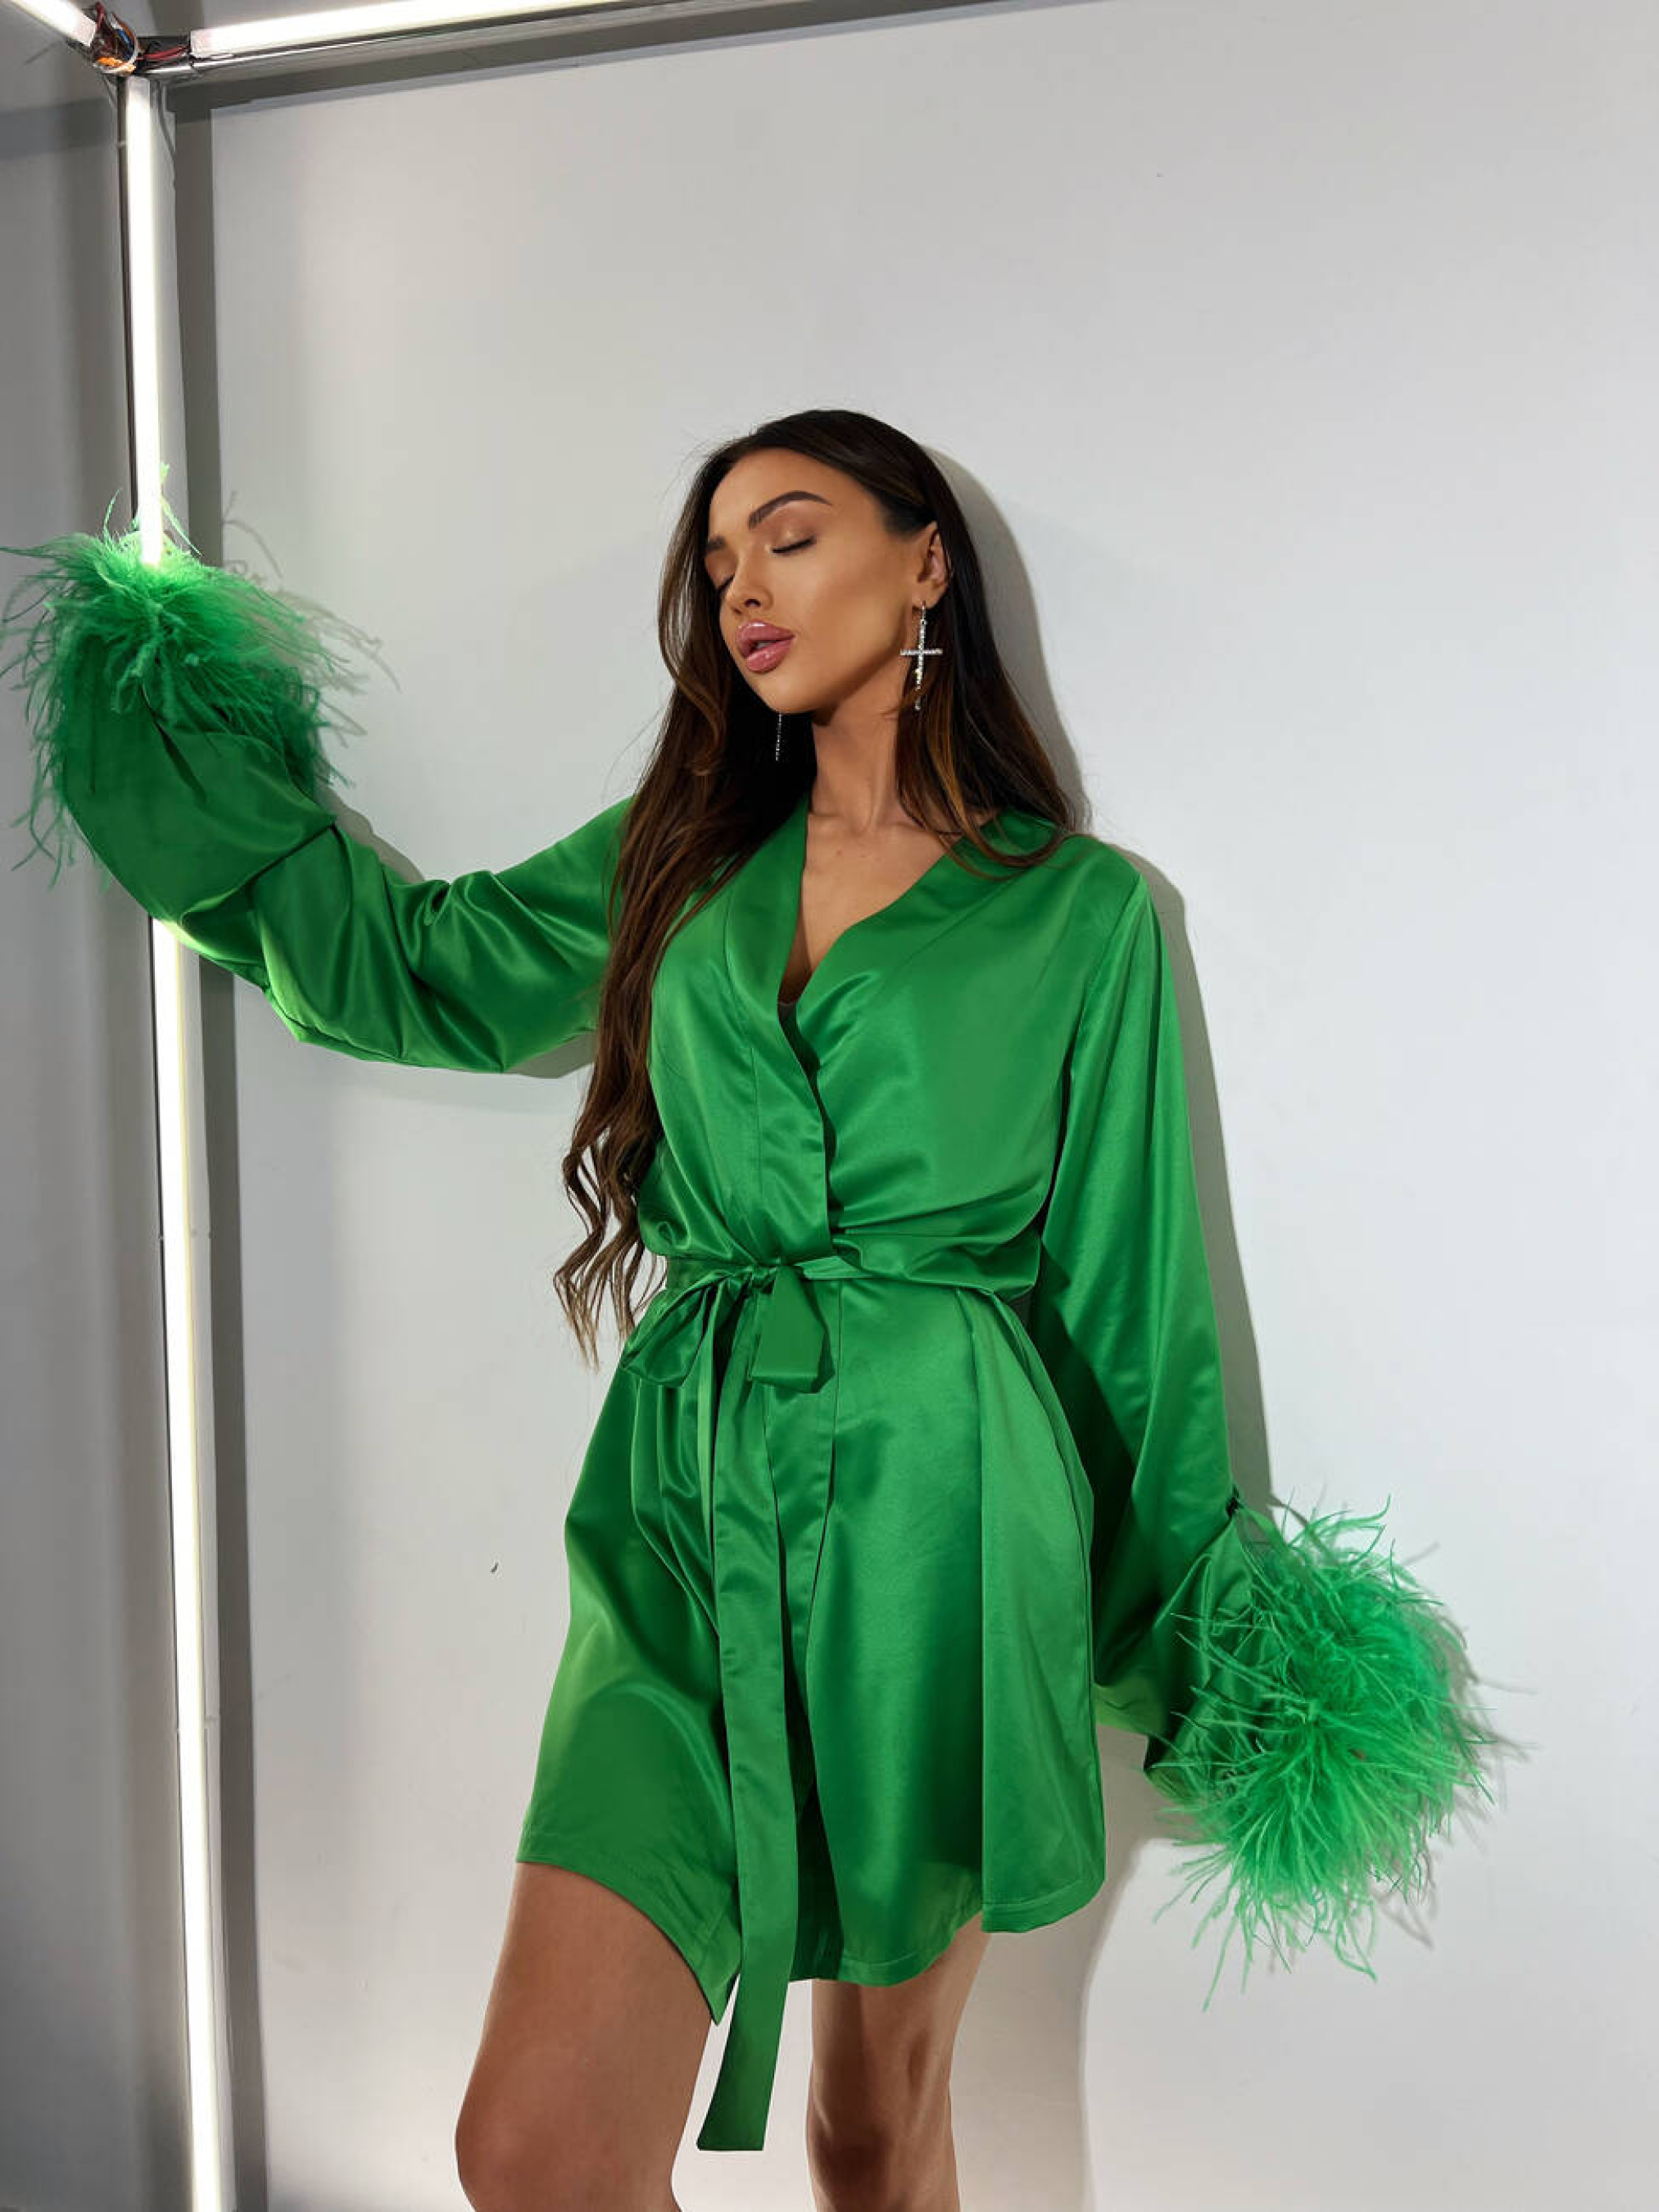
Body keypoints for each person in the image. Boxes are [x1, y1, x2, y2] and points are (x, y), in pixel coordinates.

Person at [2, 408, 1494, 2212]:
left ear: (924, 563)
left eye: (788, 535)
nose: (742, 591)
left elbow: (1131, 1300)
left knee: (871, 2132)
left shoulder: (1080, 914)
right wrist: (172, 730)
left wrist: (1210, 1653)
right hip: (684, 1505)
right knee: (534, 2153)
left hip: (947, 1526)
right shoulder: (679, 853)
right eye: (716, 566)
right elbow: (416, 968)